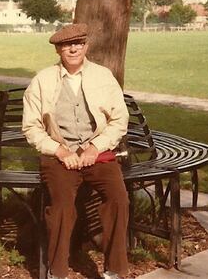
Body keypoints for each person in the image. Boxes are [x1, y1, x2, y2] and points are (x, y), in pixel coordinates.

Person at [22, 23, 130, 279]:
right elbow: (31, 127)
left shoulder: (103, 76)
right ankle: (57, 272)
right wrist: (59, 151)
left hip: (98, 153)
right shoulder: (42, 80)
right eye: (67, 45)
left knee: (119, 199)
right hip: (60, 156)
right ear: (58, 49)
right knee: (61, 207)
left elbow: (119, 120)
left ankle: (114, 270)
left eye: (78, 44)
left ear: (86, 46)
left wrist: (95, 148)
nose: (73, 49)